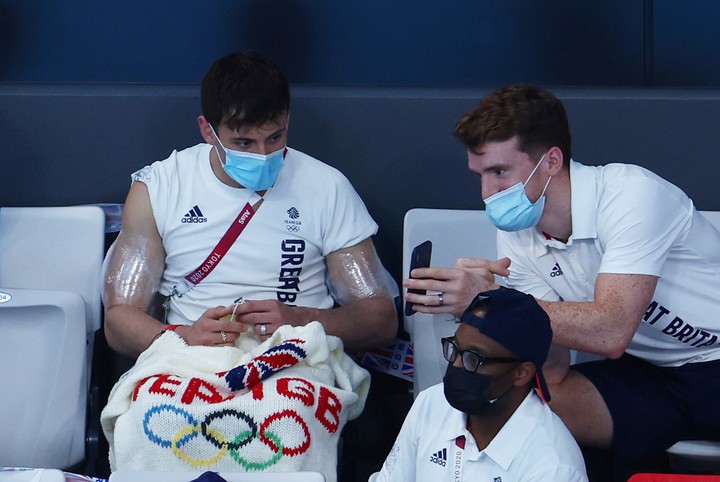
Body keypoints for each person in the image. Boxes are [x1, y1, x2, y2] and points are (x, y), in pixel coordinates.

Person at [403, 83, 720, 479]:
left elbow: (611, 330)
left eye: (499, 172)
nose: (487, 194)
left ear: (552, 161)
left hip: (714, 358)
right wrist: (500, 315)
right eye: (479, 175)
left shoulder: (632, 195)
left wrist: (494, 298)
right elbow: (551, 369)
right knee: (535, 405)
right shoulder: (518, 232)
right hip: (651, 373)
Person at [102, 52, 398, 359]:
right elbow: (119, 321)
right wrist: (185, 337)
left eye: (274, 137)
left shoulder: (328, 187)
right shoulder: (158, 187)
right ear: (207, 130)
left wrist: (300, 320)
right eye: (244, 143)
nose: (263, 154)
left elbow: (379, 320)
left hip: (295, 359)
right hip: (191, 360)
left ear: (287, 121)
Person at [375, 288, 588, 481]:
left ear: (522, 373)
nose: (457, 365)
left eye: (473, 359)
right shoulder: (431, 404)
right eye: (455, 349)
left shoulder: (553, 468)